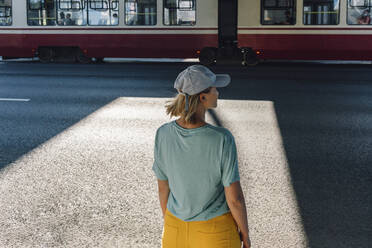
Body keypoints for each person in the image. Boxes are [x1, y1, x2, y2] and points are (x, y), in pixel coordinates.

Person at [152, 65, 252, 248]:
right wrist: (245, 234)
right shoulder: (222, 138)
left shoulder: (162, 134)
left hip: (174, 231)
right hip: (214, 234)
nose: (218, 92)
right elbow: (235, 199)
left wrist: (173, 225)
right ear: (203, 97)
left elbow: (163, 188)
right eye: (214, 88)